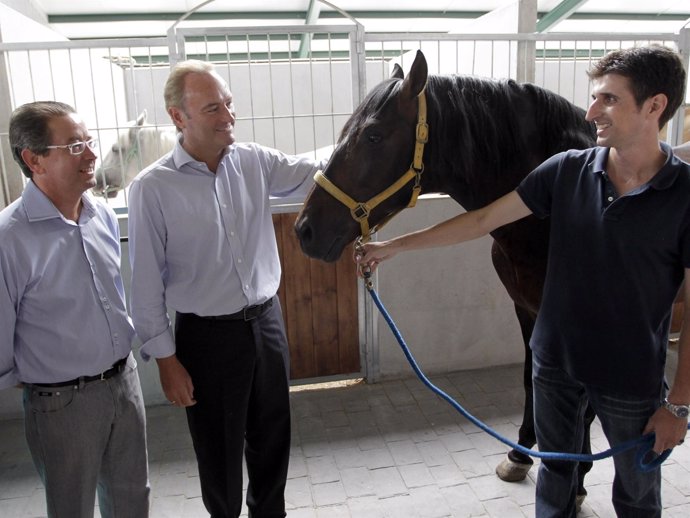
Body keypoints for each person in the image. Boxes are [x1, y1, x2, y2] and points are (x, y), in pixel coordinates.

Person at [355, 44, 690, 518]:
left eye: (609, 99)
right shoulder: (567, 170)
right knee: (554, 480)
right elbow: (482, 219)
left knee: (637, 494)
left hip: (630, 379)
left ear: (655, 105)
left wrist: (678, 405)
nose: (591, 110)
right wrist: (394, 247)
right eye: (594, 97)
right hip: (553, 368)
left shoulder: (684, 194)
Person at [127, 60, 327, 518]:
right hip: (205, 338)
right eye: (213, 107)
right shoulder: (152, 189)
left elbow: (314, 168)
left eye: (230, 103)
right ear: (180, 117)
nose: (228, 117)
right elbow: (144, 287)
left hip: (267, 324)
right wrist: (167, 360)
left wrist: (372, 135)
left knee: (273, 438)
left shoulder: (254, 161)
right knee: (217, 452)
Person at [0, 101, 150, 518]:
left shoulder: (100, 213)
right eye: (74, 145)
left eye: (88, 141)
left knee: (132, 499)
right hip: (62, 405)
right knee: (72, 508)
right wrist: (48, 385)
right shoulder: (10, 239)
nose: (91, 154)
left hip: (124, 383)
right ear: (35, 160)